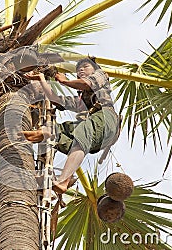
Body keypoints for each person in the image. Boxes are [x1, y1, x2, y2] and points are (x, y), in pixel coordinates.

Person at [22, 58, 120, 194]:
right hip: (99, 132)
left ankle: (63, 181)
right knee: (62, 132)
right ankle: (39, 134)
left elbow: (87, 84)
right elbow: (56, 100)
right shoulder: (82, 100)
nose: (81, 70)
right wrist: (42, 79)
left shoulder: (101, 75)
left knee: (80, 139)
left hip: (105, 118)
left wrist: (64, 81)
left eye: (85, 66)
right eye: (78, 70)